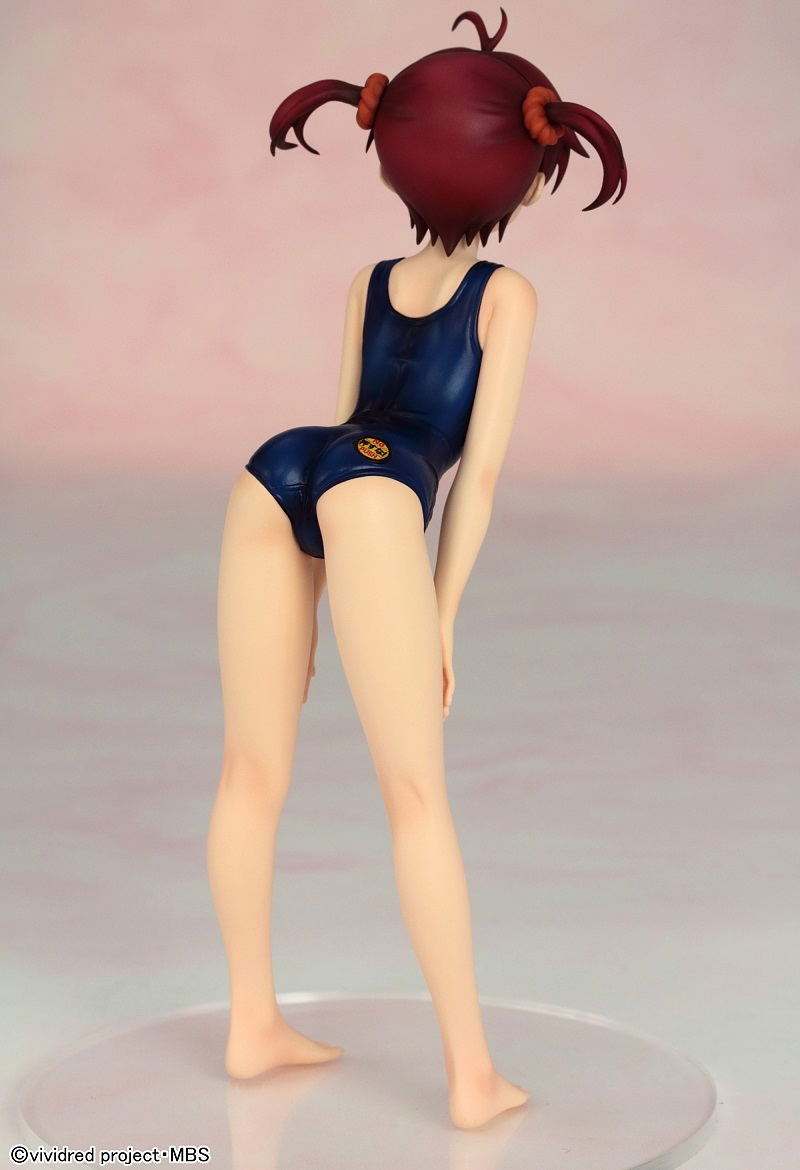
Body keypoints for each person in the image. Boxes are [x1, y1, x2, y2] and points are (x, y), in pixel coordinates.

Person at [206, 7, 626, 1130]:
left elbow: (344, 423)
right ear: (518, 174)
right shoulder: (507, 296)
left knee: (249, 771)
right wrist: (437, 618)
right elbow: (471, 478)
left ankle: (252, 1023)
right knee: (414, 798)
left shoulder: (369, 279)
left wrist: (315, 590)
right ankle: (472, 1077)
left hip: (282, 467)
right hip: (379, 491)